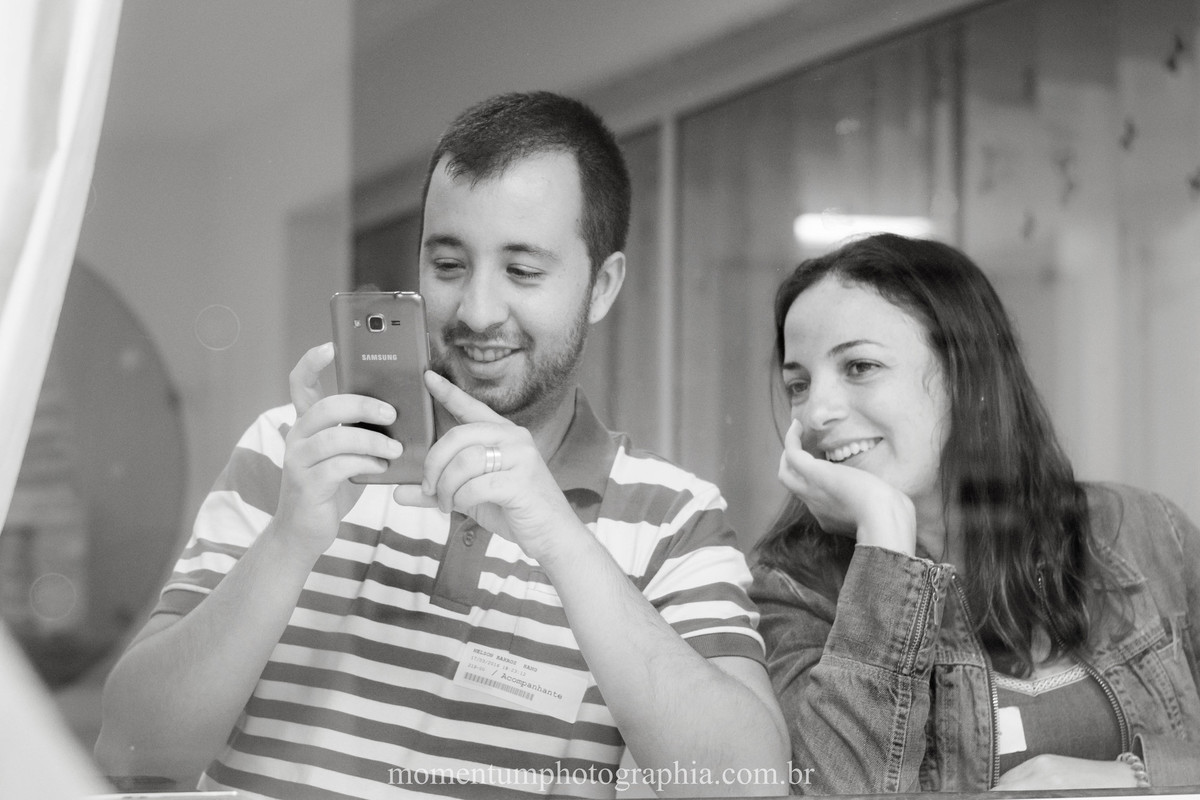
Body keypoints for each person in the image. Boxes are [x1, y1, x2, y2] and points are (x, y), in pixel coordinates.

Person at [95, 91, 789, 799]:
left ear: (602, 286)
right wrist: (290, 541)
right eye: (449, 265)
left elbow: (748, 785)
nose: (478, 312)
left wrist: (557, 536)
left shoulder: (676, 518)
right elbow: (129, 751)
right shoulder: (292, 452)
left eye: (523, 271)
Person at [751, 233, 1200, 792]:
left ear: (970, 378)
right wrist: (884, 539)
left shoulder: (1142, 530)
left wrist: (1134, 777)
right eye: (799, 383)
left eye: (860, 366)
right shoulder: (791, 590)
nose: (816, 410)